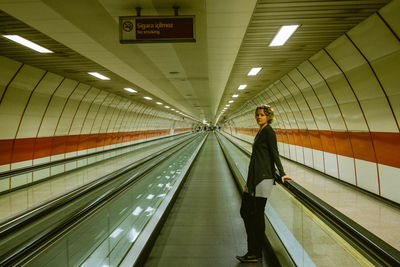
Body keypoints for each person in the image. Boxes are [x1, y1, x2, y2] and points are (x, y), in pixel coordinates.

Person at [236, 104, 293, 263]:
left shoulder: (269, 131)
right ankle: (253, 250)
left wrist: (281, 173)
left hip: (263, 178)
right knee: (246, 211)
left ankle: (255, 252)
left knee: (256, 214)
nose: (258, 117)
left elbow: (275, 153)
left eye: (262, 114)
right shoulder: (261, 131)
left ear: (268, 116)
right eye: (257, 115)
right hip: (254, 178)